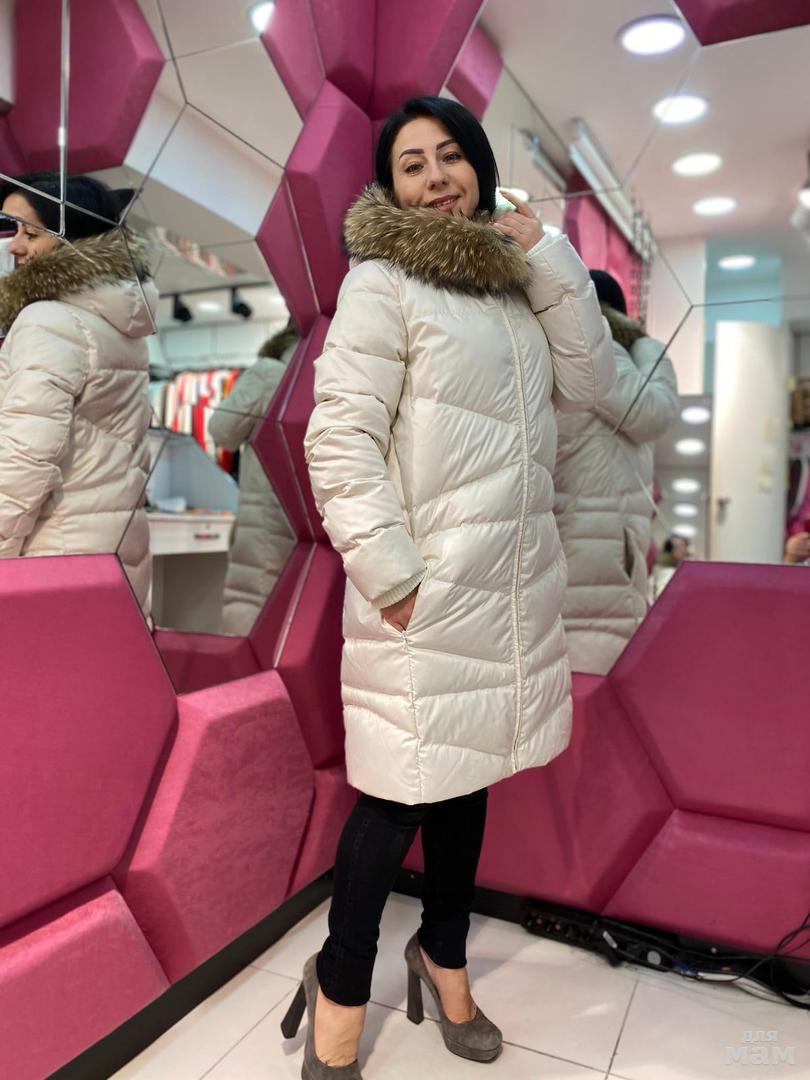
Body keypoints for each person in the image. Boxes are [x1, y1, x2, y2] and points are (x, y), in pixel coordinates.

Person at [289, 96, 615, 1079]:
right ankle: (341, 986)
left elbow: (590, 386)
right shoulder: (382, 283)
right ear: (390, 189)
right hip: (424, 594)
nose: (436, 178)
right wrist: (390, 573)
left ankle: (444, 955)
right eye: (412, 164)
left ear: (478, 166)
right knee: (395, 800)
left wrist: (548, 254)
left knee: (468, 781)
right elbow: (340, 438)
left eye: (449, 157)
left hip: (506, 597)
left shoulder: (518, 289)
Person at [0, 172, 155, 614]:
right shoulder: (121, 324)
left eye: (30, 233)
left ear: (74, 237)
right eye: (12, 230)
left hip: (52, 554)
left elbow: (24, 461)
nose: (14, 246)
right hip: (113, 550)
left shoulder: (47, 321)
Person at [553, 270, 678, 674]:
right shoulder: (608, 354)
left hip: (568, 546)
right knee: (597, 675)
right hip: (606, 556)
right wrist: (646, 344)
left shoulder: (559, 354)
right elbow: (652, 412)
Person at [208, 322, 298, 634]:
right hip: (310, 521)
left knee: (252, 607)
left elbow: (222, 431)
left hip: (264, 516)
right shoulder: (330, 371)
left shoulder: (269, 373)